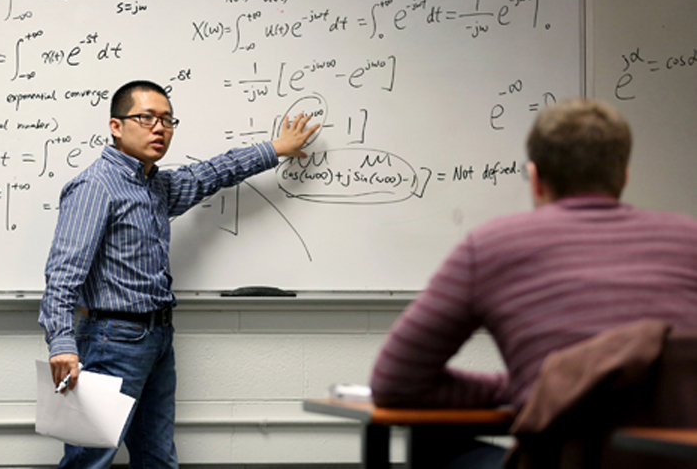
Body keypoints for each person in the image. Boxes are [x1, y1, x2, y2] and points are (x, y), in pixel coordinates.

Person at [370, 98, 697, 469]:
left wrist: (547, 386)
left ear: (536, 178)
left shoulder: (493, 245)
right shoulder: (690, 238)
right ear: (624, 175)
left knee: (433, 439)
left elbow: (395, 382)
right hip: (678, 461)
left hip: (555, 461)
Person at [38, 80, 319, 469]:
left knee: (158, 457)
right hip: (110, 340)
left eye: (168, 120)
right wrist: (62, 343)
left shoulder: (157, 187)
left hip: (156, 337)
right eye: (147, 118)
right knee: (89, 461)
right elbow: (62, 273)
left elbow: (212, 173)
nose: (160, 128)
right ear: (116, 126)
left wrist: (274, 149)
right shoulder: (96, 186)